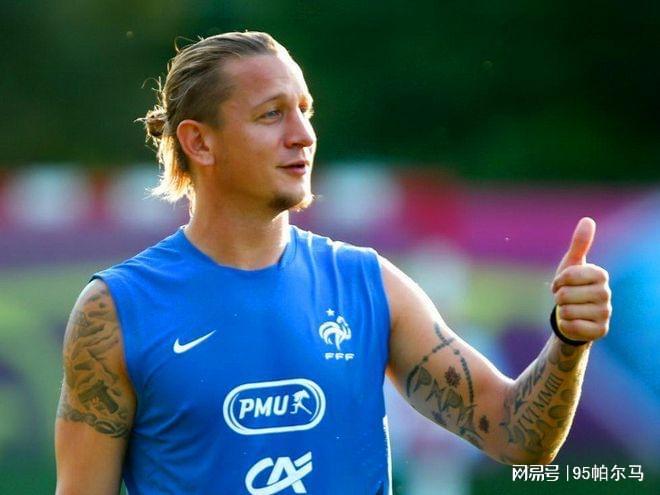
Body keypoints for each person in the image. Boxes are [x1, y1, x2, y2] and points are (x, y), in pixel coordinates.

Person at [54, 31, 612, 495]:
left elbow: (516, 436)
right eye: (272, 114)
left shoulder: (369, 284)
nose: (303, 136)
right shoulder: (116, 311)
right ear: (199, 143)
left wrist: (568, 341)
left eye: (305, 111)